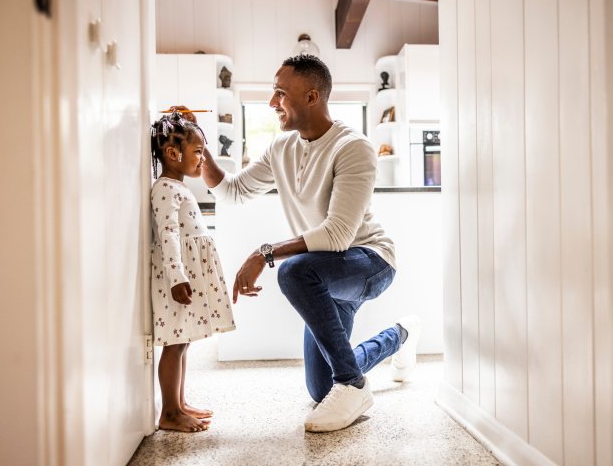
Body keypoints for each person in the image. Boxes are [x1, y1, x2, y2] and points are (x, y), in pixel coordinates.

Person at [200, 55, 421, 433]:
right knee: (320, 389)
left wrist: (263, 253)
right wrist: (201, 149)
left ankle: (353, 386)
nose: (272, 103)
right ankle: (401, 334)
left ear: (312, 97)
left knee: (293, 271)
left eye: (280, 93)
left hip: (368, 262)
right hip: (325, 271)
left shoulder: (353, 147)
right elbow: (233, 190)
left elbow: (337, 235)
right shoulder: (281, 149)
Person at [149, 110, 236, 433]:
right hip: (177, 277)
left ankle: (179, 402)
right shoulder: (165, 189)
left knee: (182, 341)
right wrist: (178, 277)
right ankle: (168, 412)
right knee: (175, 343)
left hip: (187, 271)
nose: (202, 159)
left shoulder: (178, 187)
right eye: (198, 152)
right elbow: (168, 234)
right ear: (173, 153)